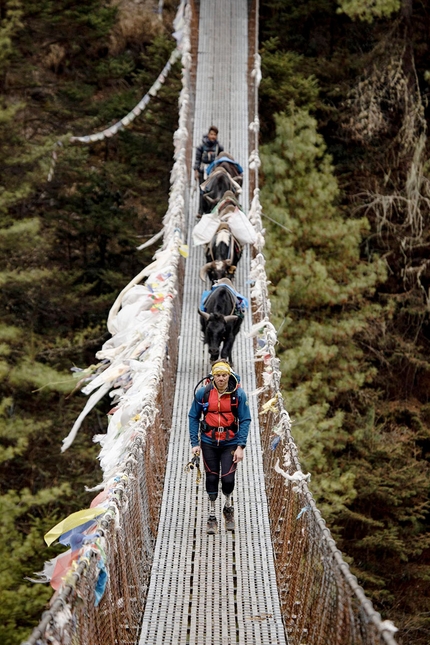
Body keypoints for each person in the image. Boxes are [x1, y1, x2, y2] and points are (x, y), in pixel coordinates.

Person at [188, 360, 251, 534]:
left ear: (229, 375)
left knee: (228, 480)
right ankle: (212, 515)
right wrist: (195, 443)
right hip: (208, 441)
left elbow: (245, 419)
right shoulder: (203, 393)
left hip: (230, 442)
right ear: (213, 376)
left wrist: (241, 446)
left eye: (224, 375)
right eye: (218, 375)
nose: (221, 379)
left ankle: (228, 506)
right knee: (212, 478)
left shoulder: (238, 395)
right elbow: (193, 416)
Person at [193, 126, 224, 217]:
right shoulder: (201, 147)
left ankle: (212, 210)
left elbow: (221, 159)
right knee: (203, 190)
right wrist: (196, 172)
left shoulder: (219, 147)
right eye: (211, 134)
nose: (213, 136)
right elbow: (197, 160)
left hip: (214, 171)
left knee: (214, 190)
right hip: (204, 171)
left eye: (215, 135)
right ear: (208, 134)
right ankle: (201, 210)